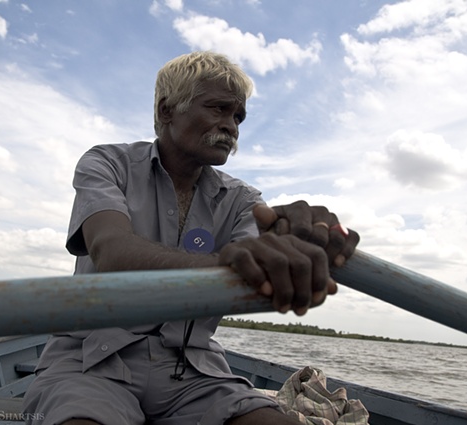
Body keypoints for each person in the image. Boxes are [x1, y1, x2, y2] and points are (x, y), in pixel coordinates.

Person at [22, 51, 360, 425]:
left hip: (193, 370)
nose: (231, 126)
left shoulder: (243, 199)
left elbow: (256, 253)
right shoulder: (107, 163)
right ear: (167, 110)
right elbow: (111, 251)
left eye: (238, 117)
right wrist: (224, 264)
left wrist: (290, 241)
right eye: (218, 109)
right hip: (91, 360)